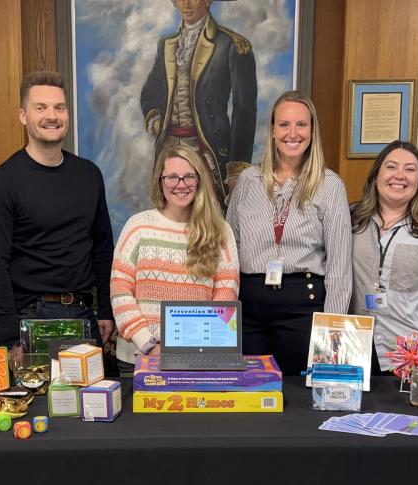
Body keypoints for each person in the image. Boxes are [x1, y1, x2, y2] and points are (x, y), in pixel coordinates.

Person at [0, 70, 114, 361]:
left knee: (93, 405)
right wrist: (11, 336)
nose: (51, 116)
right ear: (23, 115)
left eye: (59, 107)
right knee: (41, 405)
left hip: (84, 314)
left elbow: (103, 248)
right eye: (41, 108)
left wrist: (106, 309)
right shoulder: (3, 182)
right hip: (31, 318)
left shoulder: (89, 175)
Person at [226, 90, 352, 376]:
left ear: (312, 131)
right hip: (249, 309)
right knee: (248, 395)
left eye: (301, 125)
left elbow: (339, 269)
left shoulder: (330, 186)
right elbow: (230, 246)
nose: (292, 133)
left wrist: (331, 333)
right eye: (284, 124)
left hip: (303, 307)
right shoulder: (248, 181)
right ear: (272, 130)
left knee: (300, 400)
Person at [111, 146, 239, 373]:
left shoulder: (220, 231)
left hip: (196, 361)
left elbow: (225, 297)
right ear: (160, 181)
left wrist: (196, 348)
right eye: (171, 177)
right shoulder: (137, 227)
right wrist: (149, 345)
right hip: (138, 360)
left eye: (189, 176)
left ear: (199, 180)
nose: (181, 184)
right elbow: (120, 292)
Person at [349, 140, 418, 375]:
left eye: (410, 169)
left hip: (408, 354)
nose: (400, 175)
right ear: (376, 175)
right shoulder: (350, 219)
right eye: (391, 167)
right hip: (351, 346)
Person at [141, 0, 257, 203]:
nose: (186, 4)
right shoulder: (166, 45)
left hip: (208, 149)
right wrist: (156, 119)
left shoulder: (231, 44)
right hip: (168, 148)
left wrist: (236, 169)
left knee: (210, 219)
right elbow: (150, 91)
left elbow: (244, 109)